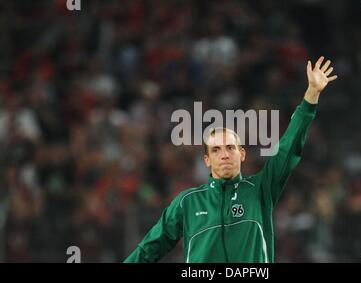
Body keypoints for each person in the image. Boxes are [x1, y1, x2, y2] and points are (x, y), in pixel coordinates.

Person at [124, 56, 338, 263]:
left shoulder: (260, 189)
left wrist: (311, 95)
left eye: (230, 147)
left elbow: (287, 150)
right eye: (216, 150)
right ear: (207, 160)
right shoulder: (187, 202)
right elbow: (149, 248)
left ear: (242, 154)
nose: (224, 154)